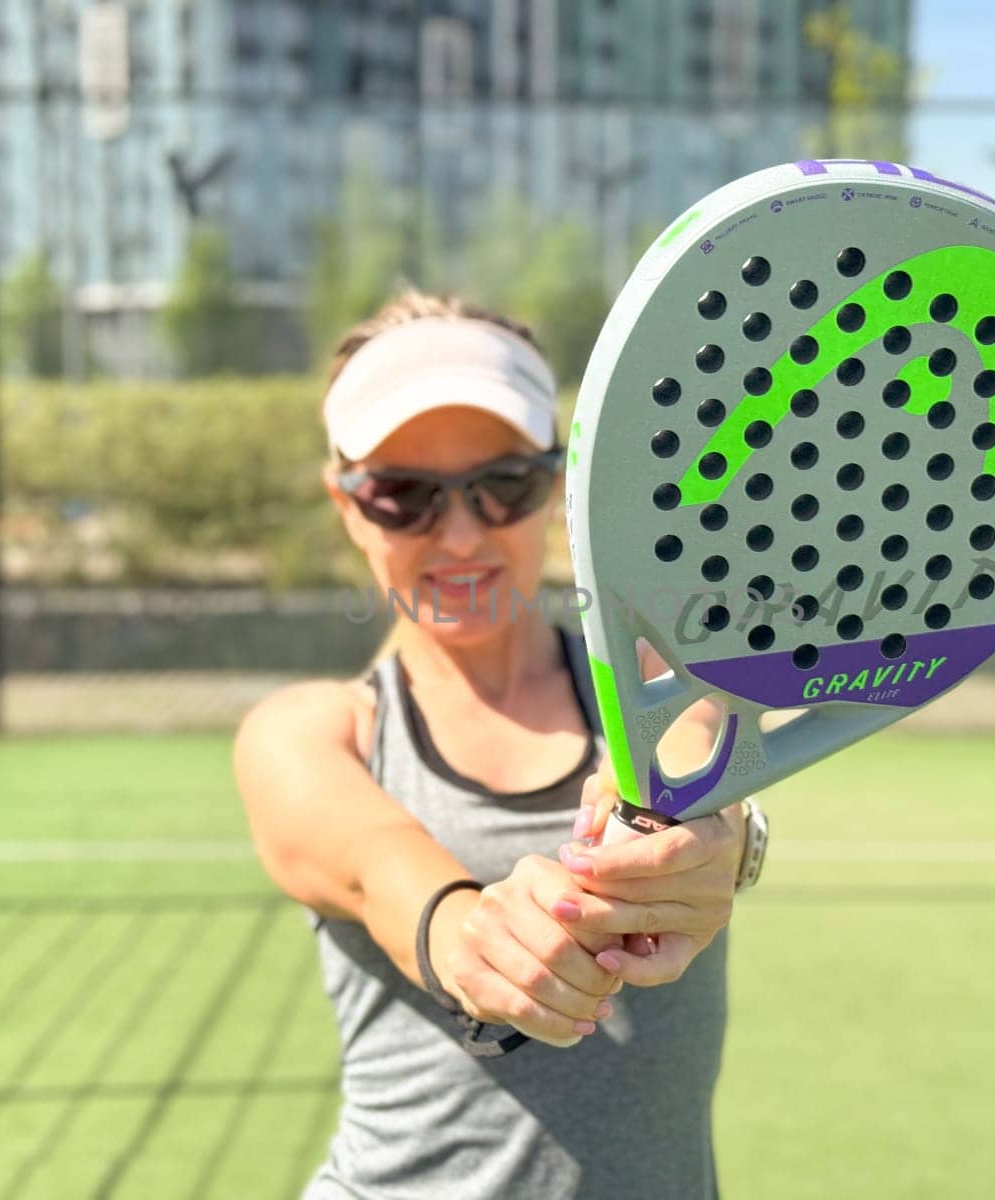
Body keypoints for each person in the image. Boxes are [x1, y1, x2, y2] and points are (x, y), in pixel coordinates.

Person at [234, 289, 762, 1199]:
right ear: (348, 504)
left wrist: (728, 848)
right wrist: (472, 934)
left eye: (503, 484)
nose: (464, 535)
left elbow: (715, 794)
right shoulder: (309, 733)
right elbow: (375, 865)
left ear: (558, 481)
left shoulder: (663, 686)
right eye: (406, 496)